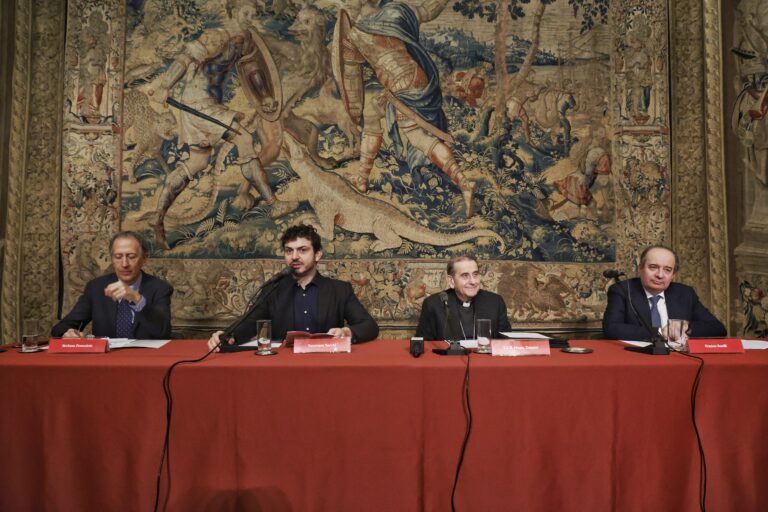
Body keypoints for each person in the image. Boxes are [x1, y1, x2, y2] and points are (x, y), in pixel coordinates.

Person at [334, 0, 476, 216]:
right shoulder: (395, 13)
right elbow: (428, 10)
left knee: (419, 138)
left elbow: (353, 86)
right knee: (373, 114)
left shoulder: (354, 35)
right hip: (419, 78)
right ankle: (362, 178)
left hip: (400, 86)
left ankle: (463, 182)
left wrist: (354, 113)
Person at [208, 224, 379, 350]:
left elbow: (369, 326)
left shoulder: (340, 290)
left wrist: (346, 332)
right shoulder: (273, 290)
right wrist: (226, 336)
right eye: (289, 251)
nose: (294, 257)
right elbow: (249, 323)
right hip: (282, 369)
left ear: (317, 254)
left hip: (327, 365)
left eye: (302, 250)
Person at [51, 231, 173, 339]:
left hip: (145, 358)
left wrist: (137, 299)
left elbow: (163, 332)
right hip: (107, 359)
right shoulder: (96, 288)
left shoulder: (160, 288)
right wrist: (67, 333)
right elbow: (61, 327)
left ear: (144, 258)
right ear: (111, 258)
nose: (124, 264)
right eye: (118, 257)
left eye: (131, 257)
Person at [602, 245, 727, 340]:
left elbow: (718, 328)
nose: (660, 275)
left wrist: (685, 327)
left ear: (673, 275)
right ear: (640, 269)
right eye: (653, 267)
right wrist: (661, 332)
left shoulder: (685, 293)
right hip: (638, 359)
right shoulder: (622, 290)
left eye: (667, 270)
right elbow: (611, 328)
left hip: (679, 359)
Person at [415, 256, 511, 341]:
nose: (473, 281)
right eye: (465, 276)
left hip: (486, 360)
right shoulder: (434, 304)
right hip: (448, 360)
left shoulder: (495, 302)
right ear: (451, 281)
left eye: (475, 274)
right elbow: (423, 344)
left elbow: (506, 342)